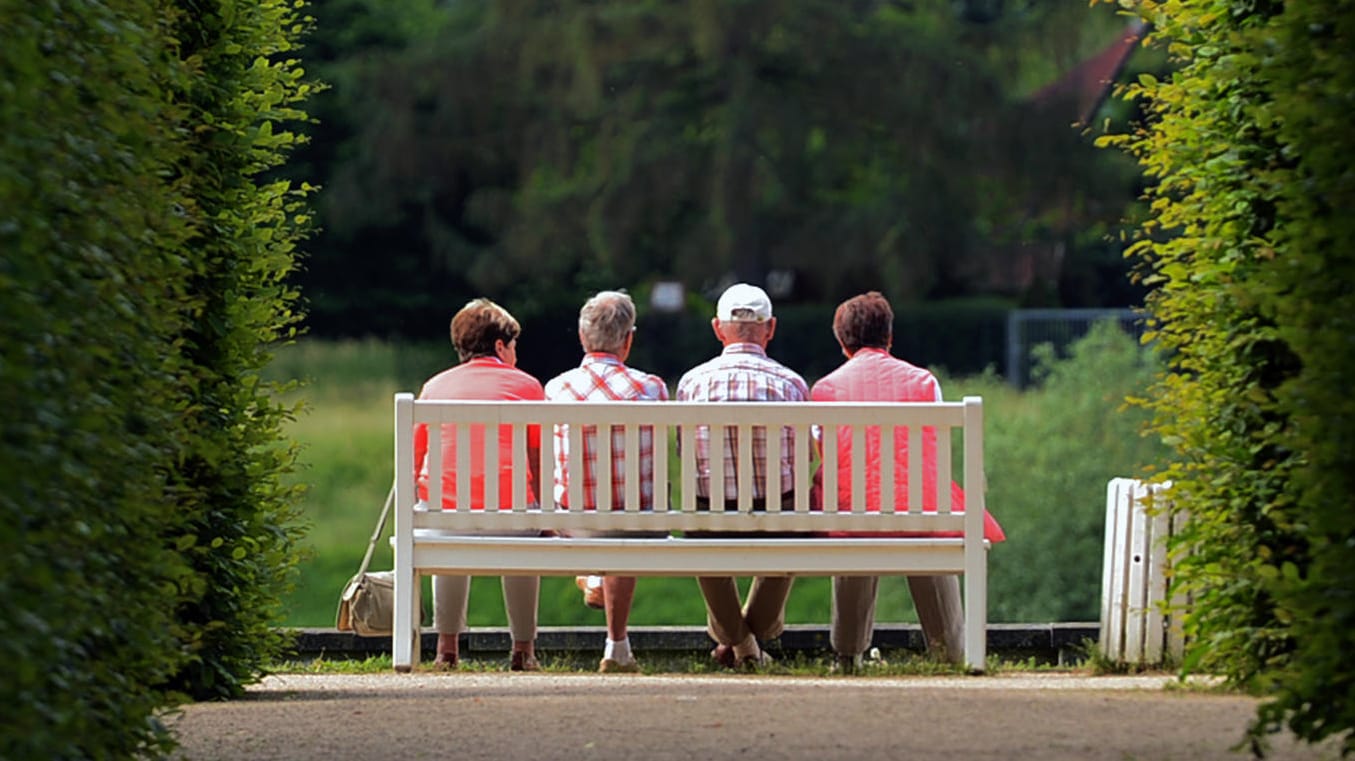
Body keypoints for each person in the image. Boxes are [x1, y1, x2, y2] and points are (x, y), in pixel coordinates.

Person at [809, 291, 1006, 672]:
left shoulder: (825, 389)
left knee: (852, 508)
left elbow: (826, 450)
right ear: (890, 337)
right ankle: (949, 650)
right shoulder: (924, 382)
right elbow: (931, 443)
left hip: (852, 516)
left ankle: (848, 655)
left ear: (841, 341)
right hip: (919, 513)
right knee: (929, 510)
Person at [675, 283, 810, 669]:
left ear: (718, 329)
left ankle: (737, 641)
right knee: (795, 518)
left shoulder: (691, 384)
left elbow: (685, 453)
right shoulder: (792, 384)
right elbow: (805, 459)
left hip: (710, 519)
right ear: (770, 328)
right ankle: (751, 641)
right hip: (777, 520)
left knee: (699, 523)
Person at [412, 298, 545, 672]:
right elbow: (539, 457)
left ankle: (446, 648)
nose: (516, 352)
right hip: (513, 518)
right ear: (501, 346)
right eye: (514, 345)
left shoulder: (434, 387)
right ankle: (523, 649)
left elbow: (415, 457)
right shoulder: (528, 387)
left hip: (444, 516)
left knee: (445, 528)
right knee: (524, 535)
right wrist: (546, 510)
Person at [544, 291, 669, 674]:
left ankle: (592, 575)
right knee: (624, 516)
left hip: (572, 524)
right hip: (641, 524)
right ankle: (617, 645)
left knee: (584, 512)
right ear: (628, 340)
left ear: (583, 339)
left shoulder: (556, 389)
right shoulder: (652, 389)